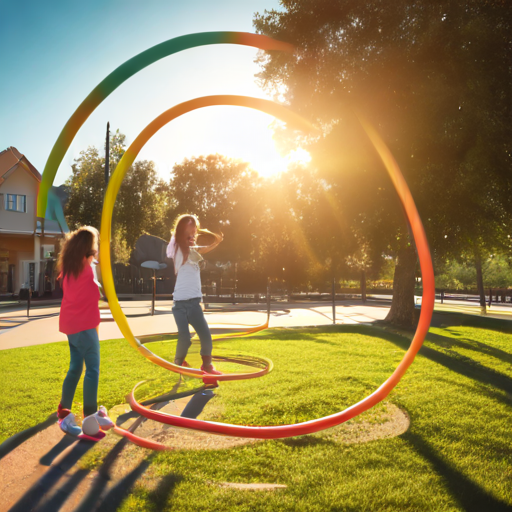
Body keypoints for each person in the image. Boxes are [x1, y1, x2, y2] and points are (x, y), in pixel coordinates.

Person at [56, 226, 114, 438]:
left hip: (72, 327)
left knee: (75, 368)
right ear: (89, 248)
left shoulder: (70, 268)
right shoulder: (86, 269)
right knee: (92, 369)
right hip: (84, 327)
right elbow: (95, 294)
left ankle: (64, 411)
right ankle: (90, 415)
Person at [167, 214, 223, 374]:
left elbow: (202, 250)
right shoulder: (178, 249)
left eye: (193, 233)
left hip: (194, 305)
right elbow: (185, 241)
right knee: (185, 339)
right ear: (180, 235)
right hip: (180, 306)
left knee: (206, 337)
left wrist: (216, 242)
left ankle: (207, 367)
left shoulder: (193, 253)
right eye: (188, 233)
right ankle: (178, 364)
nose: (191, 237)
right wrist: (215, 242)